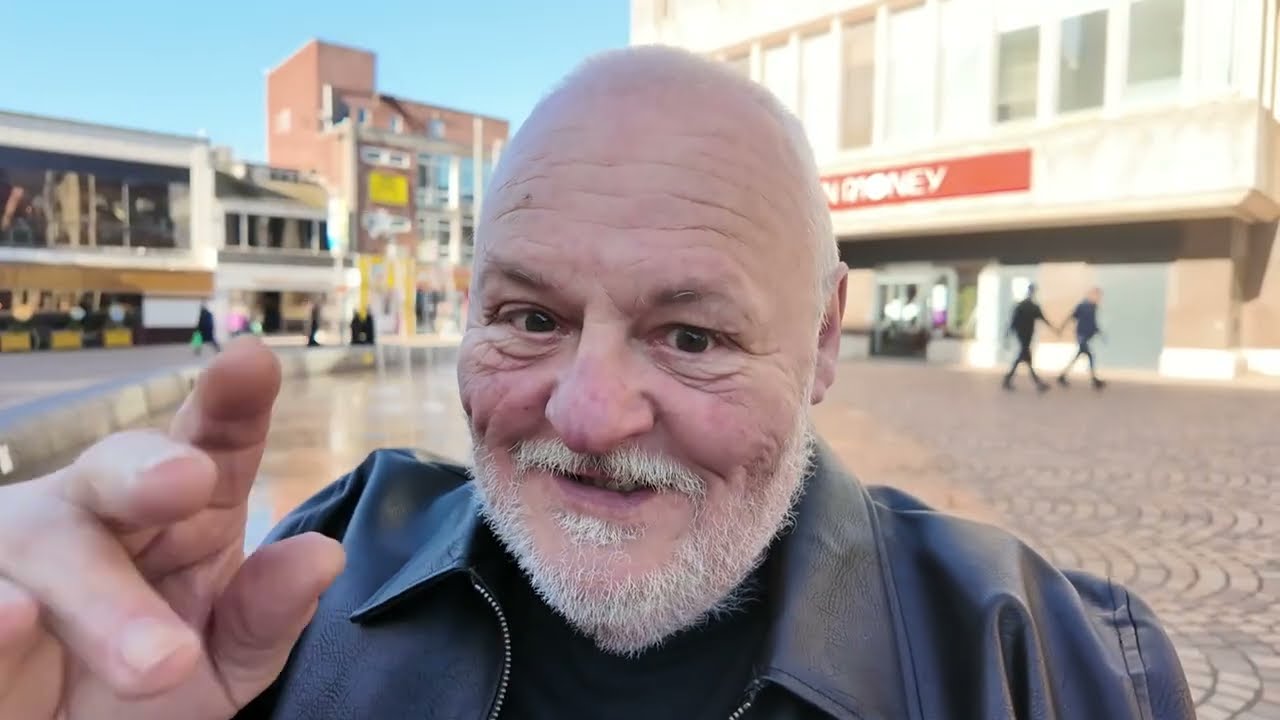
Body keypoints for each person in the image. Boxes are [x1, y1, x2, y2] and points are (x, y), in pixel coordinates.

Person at [0, 47, 1192, 720]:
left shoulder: (1043, 666)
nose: (582, 414)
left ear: (823, 340)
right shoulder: (293, 599)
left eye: (689, 337)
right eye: (529, 317)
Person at [1002, 283, 1058, 392]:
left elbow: (1012, 322)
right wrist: (1055, 329)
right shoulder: (1031, 306)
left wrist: (1008, 335)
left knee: (1024, 358)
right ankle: (1037, 383)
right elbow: (1044, 319)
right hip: (1026, 335)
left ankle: (1009, 379)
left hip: (1022, 335)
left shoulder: (1022, 305)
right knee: (1025, 357)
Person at [1058, 287, 1107, 389]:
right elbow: (1072, 316)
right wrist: (1062, 327)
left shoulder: (1093, 307)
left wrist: (1099, 332)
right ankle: (1094, 380)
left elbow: (1093, 322)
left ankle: (1063, 376)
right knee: (1089, 355)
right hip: (1081, 335)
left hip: (1085, 335)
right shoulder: (1083, 306)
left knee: (1080, 355)